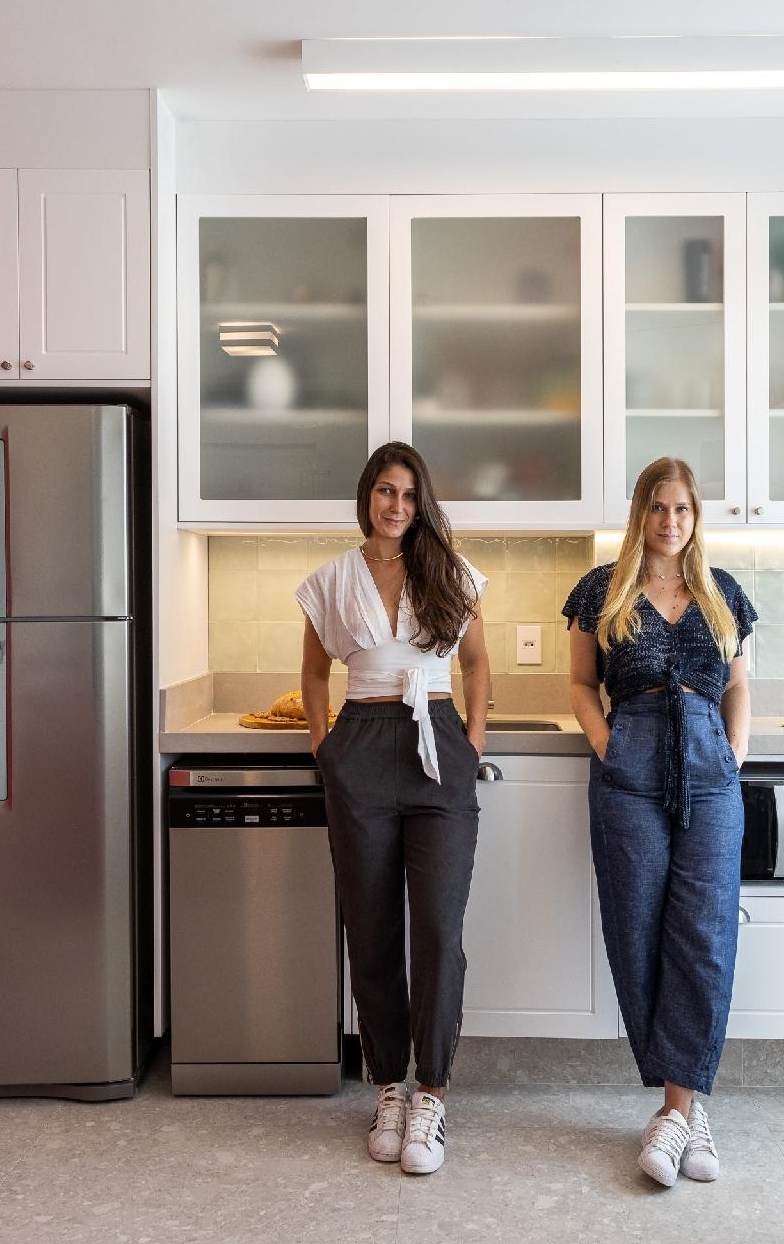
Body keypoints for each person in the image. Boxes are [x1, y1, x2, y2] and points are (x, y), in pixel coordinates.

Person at [296, 442, 491, 1176]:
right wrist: (326, 751)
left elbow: (476, 664)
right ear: (367, 496)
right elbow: (313, 674)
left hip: (436, 744)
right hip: (361, 743)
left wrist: (470, 741)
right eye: (385, 491)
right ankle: (388, 1087)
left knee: (438, 928)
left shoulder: (451, 572)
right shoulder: (331, 580)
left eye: (409, 495)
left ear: (422, 502)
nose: (397, 506)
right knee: (372, 928)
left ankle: (431, 1093)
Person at [562, 456, 757, 1188]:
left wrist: (734, 751)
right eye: (657, 507)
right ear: (639, 513)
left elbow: (738, 685)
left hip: (709, 764)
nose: (669, 521)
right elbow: (580, 683)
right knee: (637, 926)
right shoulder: (599, 591)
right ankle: (679, 1109)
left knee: (705, 932)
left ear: (695, 517)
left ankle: (680, 1112)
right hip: (631, 761)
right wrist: (608, 745)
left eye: (682, 509)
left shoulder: (723, 593)